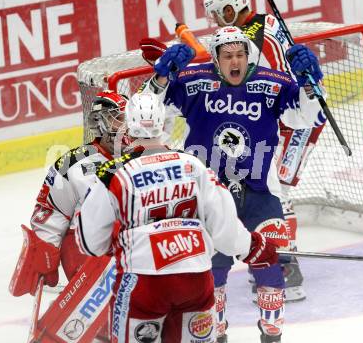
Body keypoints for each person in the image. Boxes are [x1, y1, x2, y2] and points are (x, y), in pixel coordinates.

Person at [142, 26, 324, 342]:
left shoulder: (272, 84)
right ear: (217, 58)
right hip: (208, 197)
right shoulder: (193, 82)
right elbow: (146, 114)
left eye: (240, 54)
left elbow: (310, 117)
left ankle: (272, 335)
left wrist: (310, 82)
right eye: (228, 56)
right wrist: (161, 78)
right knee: (213, 275)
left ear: (248, 56)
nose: (234, 61)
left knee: (270, 269)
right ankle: (218, 335)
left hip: (259, 194)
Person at [74, 90, 279, 343]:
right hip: (196, 278)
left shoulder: (113, 174)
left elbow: (90, 243)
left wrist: (117, 241)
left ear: (128, 125)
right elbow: (224, 229)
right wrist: (254, 247)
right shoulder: (194, 165)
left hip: (143, 281)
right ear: (163, 122)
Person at [203, 0, 327, 303]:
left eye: (218, 13)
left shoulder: (256, 38)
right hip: (287, 114)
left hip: (296, 118)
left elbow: (278, 92)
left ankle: (287, 267)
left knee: (275, 188)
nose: (214, 20)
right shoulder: (256, 29)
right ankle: (271, 256)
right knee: (270, 187)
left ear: (230, 8)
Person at [9, 90, 129, 342]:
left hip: (130, 242)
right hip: (85, 248)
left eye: (128, 117)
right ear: (102, 122)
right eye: (119, 118)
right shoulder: (72, 163)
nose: (126, 124)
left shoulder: (141, 154)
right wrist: (45, 249)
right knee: (118, 323)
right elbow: (51, 210)